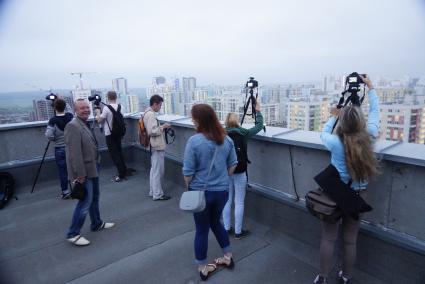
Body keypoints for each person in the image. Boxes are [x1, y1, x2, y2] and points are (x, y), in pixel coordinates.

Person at [314, 75, 379, 284]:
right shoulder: (370, 135)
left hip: (334, 195)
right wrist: (370, 88)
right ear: (360, 121)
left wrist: (335, 115)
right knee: (350, 241)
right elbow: (375, 114)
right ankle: (346, 277)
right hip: (358, 195)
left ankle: (323, 278)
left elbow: (323, 132)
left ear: (343, 122)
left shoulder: (335, 142)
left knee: (328, 238)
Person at [183, 104, 238, 281]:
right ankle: (228, 256)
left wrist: (189, 188)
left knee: (201, 230)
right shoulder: (226, 139)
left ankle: (203, 267)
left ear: (199, 120)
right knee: (216, 222)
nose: (192, 120)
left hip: (201, 192)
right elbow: (233, 164)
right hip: (222, 191)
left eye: (193, 118)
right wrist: (221, 178)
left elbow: (188, 173)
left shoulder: (194, 141)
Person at [65, 99, 114, 246]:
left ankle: (96, 223)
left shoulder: (83, 123)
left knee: (94, 198)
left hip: (92, 168)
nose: (86, 110)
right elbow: (75, 154)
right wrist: (80, 175)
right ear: (75, 110)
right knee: (85, 202)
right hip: (84, 172)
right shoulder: (72, 126)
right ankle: (73, 233)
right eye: (82, 108)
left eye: (87, 107)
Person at [222, 101, 264, 239]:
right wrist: (257, 111)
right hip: (240, 170)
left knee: (227, 200)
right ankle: (239, 232)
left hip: (226, 171)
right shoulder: (243, 133)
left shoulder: (221, 134)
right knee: (239, 201)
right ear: (237, 121)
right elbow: (258, 126)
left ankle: (227, 228)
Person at [96, 91, 131, 182]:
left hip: (110, 134)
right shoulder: (121, 107)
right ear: (116, 97)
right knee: (119, 152)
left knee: (114, 155)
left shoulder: (106, 108)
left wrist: (97, 113)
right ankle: (124, 169)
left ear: (107, 97)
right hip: (119, 133)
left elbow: (99, 120)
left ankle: (121, 174)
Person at [143, 95, 171, 201]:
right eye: (160, 105)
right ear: (155, 104)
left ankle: (153, 191)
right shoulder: (150, 115)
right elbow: (152, 131)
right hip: (156, 146)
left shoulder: (146, 112)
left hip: (152, 146)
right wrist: (164, 127)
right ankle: (158, 194)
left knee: (154, 170)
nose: (160, 107)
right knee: (158, 171)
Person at [45, 98, 73, 199]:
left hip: (60, 148)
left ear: (54, 108)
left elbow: (48, 135)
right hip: (71, 147)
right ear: (64, 107)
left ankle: (65, 192)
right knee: (74, 168)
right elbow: (70, 110)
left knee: (63, 170)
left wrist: (54, 139)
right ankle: (78, 187)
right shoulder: (70, 116)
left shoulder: (53, 120)